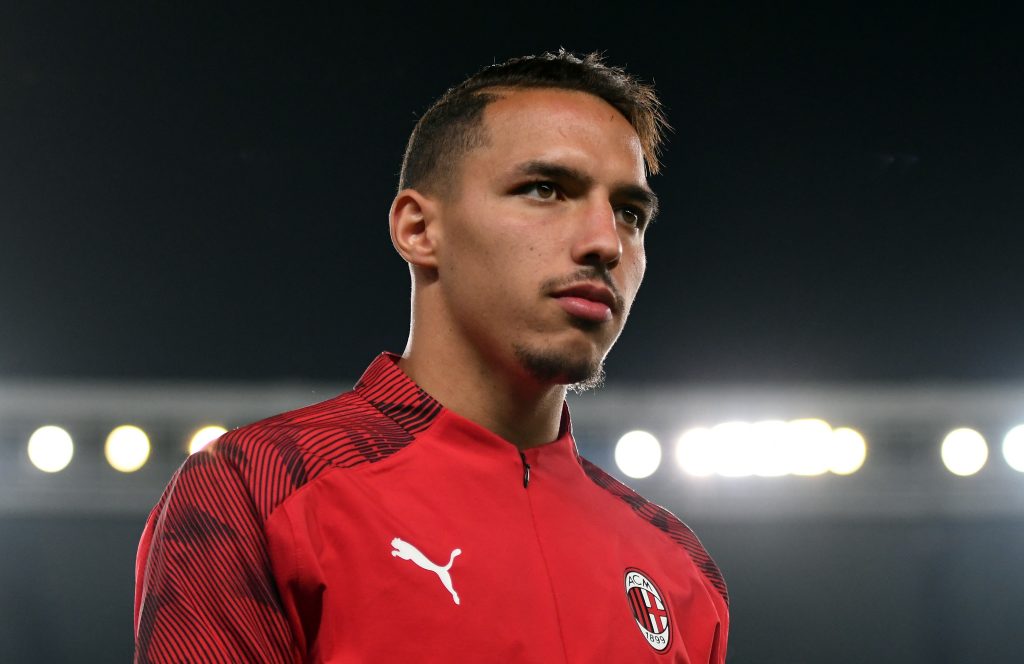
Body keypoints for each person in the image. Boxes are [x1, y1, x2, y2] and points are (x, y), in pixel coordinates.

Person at [134, 50, 729, 663]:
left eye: (630, 213)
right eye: (546, 189)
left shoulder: (678, 565)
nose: (605, 242)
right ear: (419, 229)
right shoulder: (260, 487)